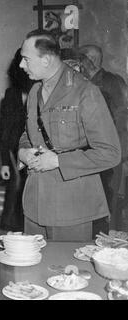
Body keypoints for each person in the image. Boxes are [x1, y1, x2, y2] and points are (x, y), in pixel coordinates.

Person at [17, 30, 121, 241]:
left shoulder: (85, 92)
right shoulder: (35, 92)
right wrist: (23, 153)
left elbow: (110, 153)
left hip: (71, 208)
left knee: (67, 271)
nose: (21, 65)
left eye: (26, 59)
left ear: (46, 60)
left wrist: (57, 161)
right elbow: (28, 135)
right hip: (34, 204)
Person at [78, 44, 128, 230]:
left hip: (110, 155)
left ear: (88, 60)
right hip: (99, 154)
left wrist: (119, 154)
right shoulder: (88, 81)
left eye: (80, 60)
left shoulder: (111, 83)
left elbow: (122, 121)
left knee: (108, 206)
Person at [0, 48, 35, 232]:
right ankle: (14, 229)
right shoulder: (11, 94)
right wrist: (4, 162)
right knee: (16, 188)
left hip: (36, 149)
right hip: (15, 150)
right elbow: (4, 131)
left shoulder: (44, 91)